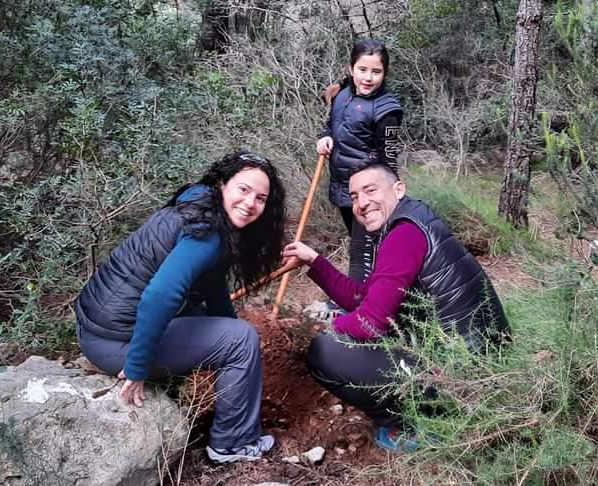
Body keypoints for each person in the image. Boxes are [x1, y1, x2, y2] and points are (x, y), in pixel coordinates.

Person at [281, 160, 509, 452]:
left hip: (462, 378)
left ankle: (425, 424)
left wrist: (325, 327)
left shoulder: (404, 235)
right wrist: (315, 261)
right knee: (347, 323)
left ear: (398, 189)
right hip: (478, 363)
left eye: (370, 190)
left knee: (324, 350)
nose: (362, 203)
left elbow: (370, 323)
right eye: (354, 197)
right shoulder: (410, 222)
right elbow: (363, 298)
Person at [75, 151, 286, 463]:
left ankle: (221, 397)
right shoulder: (209, 236)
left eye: (261, 198)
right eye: (243, 189)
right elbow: (160, 296)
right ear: (223, 184)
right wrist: (137, 366)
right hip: (115, 344)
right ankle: (232, 444)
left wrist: (227, 324)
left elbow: (212, 283)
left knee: (228, 330)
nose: (250, 203)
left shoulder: (197, 202)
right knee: (242, 339)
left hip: (96, 327)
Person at [317, 38, 404, 282]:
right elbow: (330, 126)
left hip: (368, 191)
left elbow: (389, 157)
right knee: (363, 246)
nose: (368, 78)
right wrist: (324, 137)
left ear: (384, 73)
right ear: (351, 68)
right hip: (342, 185)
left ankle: (355, 300)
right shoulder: (341, 95)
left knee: (360, 252)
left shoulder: (387, 109)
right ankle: (375, 292)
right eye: (362, 70)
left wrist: (388, 196)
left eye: (376, 72)